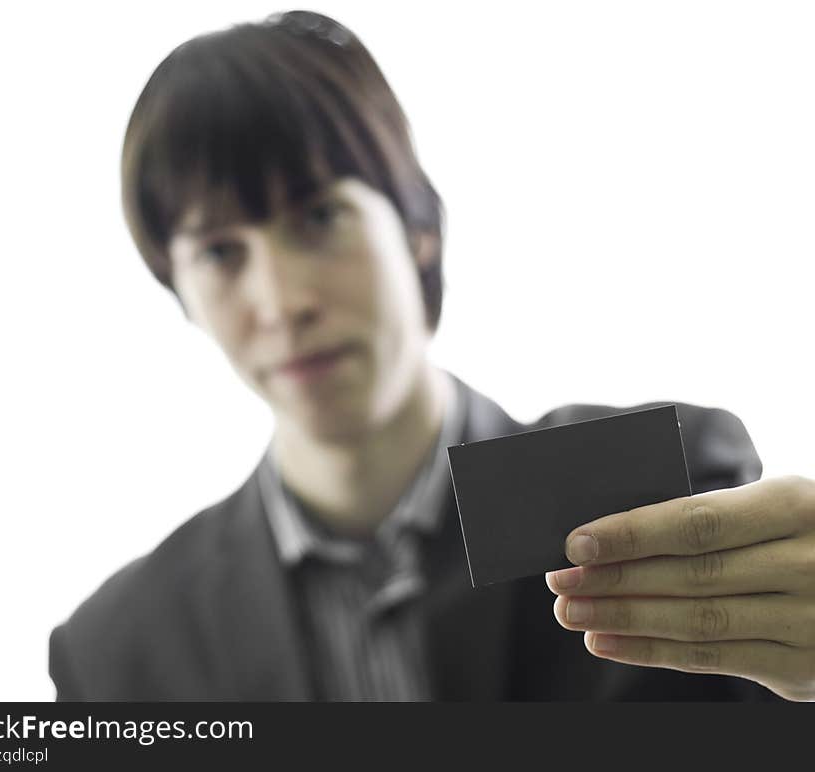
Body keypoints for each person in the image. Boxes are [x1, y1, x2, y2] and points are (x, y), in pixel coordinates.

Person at [49, 10, 814, 701]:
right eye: (220, 254)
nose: (282, 303)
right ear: (177, 291)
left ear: (418, 229)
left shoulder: (655, 494)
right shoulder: (117, 654)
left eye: (319, 217)